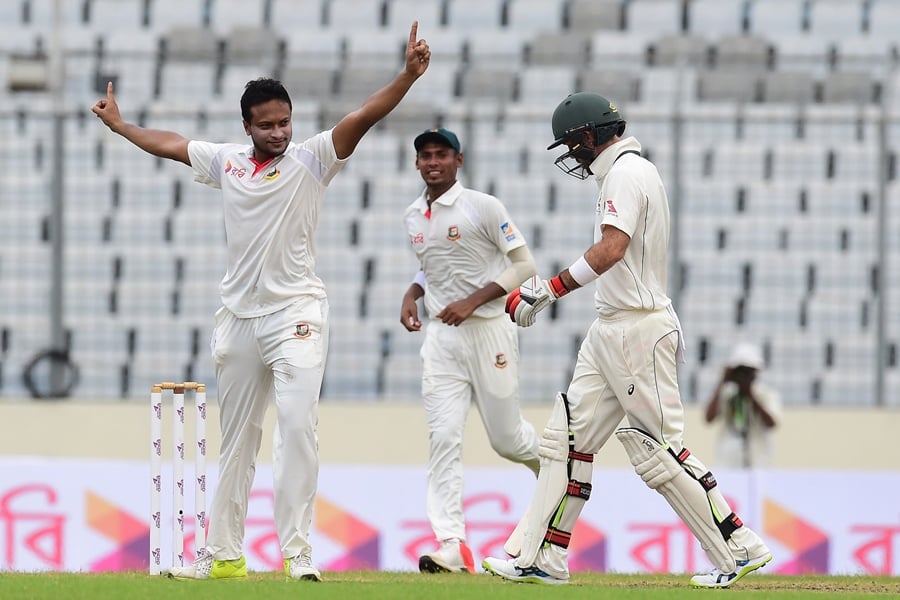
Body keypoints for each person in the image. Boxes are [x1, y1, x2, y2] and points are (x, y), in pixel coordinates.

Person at [92, 23, 431, 581]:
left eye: (284, 122)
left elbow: (363, 116)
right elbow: (172, 145)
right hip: (237, 319)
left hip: (296, 313)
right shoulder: (226, 161)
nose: (278, 133)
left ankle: (298, 554)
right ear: (246, 125)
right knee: (238, 440)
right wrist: (121, 125)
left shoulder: (312, 158)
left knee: (297, 428)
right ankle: (222, 554)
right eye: (267, 125)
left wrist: (407, 76)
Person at [481, 92, 772, 588]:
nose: (571, 155)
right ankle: (542, 557)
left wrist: (549, 289)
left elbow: (613, 247)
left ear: (591, 135)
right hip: (609, 328)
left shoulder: (626, 173)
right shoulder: (625, 172)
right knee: (567, 441)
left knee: (657, 450)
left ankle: (738, 547)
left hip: (638, 329)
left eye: (572, 144)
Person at [400, 128, 541, 574]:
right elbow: (434, 263)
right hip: (442, 341)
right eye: (425, 155)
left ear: (458, 160)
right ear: (417, 163)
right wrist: (413, 291)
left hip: (488, 331)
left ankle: (561, 469)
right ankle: (452, 544)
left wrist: (473, 301)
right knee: (443, 438)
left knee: (507, 440)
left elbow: (525, 265)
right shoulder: (413, 216)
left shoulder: (482, 206)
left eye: (441, 154)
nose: (433, 162)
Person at [704, 342, 781, 469]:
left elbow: (771, 423)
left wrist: (750, 396)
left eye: (748, 372)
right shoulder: (727, 394)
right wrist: (722, 382)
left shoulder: (766, 394)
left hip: (759, 462)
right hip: (728, 462)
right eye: (740, 371)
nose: (744, 376)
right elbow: (709, 418)